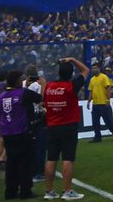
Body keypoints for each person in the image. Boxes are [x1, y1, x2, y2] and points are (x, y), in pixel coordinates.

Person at [42, 56, 88, 200]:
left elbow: (43, 102)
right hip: (68, 126)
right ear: (70, 74)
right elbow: (86, 70)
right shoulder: (71, 86)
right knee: (68, 158)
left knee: (51, 158)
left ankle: (49, 191)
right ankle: (67, 191)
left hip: (52, 126)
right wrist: (73, 59)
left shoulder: (49, 87)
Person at [0, 69, 42, 200]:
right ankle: (25, 191)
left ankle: (10, 191)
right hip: (22, 132)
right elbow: (39, 98)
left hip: (7, 133)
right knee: (25, 163)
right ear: (18, 80)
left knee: (11, 162)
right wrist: (40, 84)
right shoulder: (23, 93)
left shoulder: (1, 95)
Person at [85, 62, 113, 143]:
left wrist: (108, 100)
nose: (94, 70)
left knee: (108, 121)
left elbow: (108, 89)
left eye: (95, 68)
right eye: (93, 68)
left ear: (99, 69)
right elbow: (91, 91)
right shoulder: (92, 79)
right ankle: (97, 136)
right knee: (95, 121)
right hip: (95, 103)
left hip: (103, 103)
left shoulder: (104, 77)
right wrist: (88, 101)